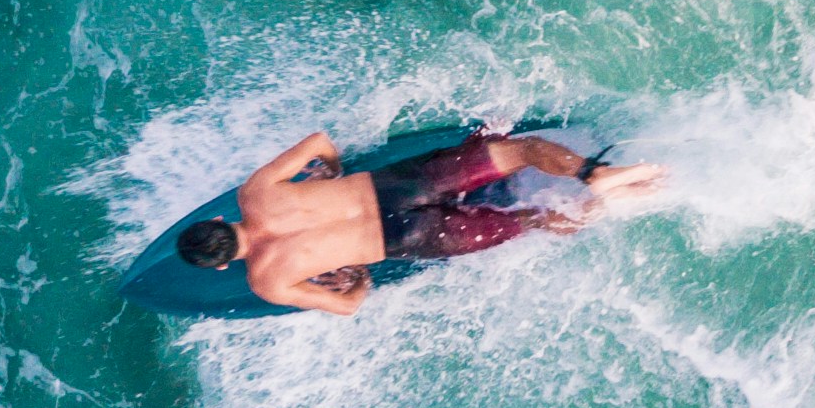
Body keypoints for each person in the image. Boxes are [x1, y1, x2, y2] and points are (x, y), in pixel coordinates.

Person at [175, 130, 667, 317]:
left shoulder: (266, 281)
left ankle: (613, 206)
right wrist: (330, 173)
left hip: (408, 239)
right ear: (219, 218)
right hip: (397, 185)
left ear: (222, 267)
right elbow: (321, 144)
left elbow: (349, 305)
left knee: (531, 222)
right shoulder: (254, 194)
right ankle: (594, 174)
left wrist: (355, 275)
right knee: (522, 150)